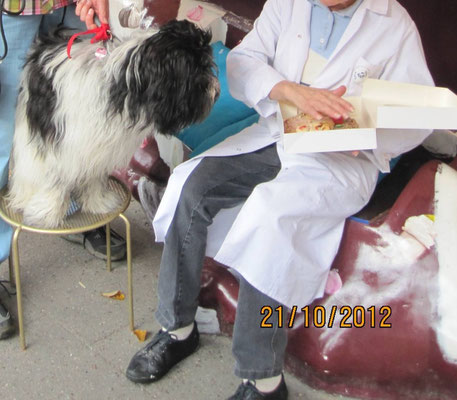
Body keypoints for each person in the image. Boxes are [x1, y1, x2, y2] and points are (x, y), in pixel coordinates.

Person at [126, 0, 433, 398]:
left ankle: (263, 379)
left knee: (271, 218)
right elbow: (243, 62)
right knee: (190, 186)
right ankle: (177, 328)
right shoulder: (289, 4)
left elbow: (418, 113)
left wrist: (368, 128)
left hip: (338, 160)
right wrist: (288, 91)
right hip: (277, 132)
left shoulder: (394, 25)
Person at [0, 0, 121, 339]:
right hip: (11, 9)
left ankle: (74, 208)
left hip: (72, 5)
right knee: (1, 131)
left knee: (85, 112)